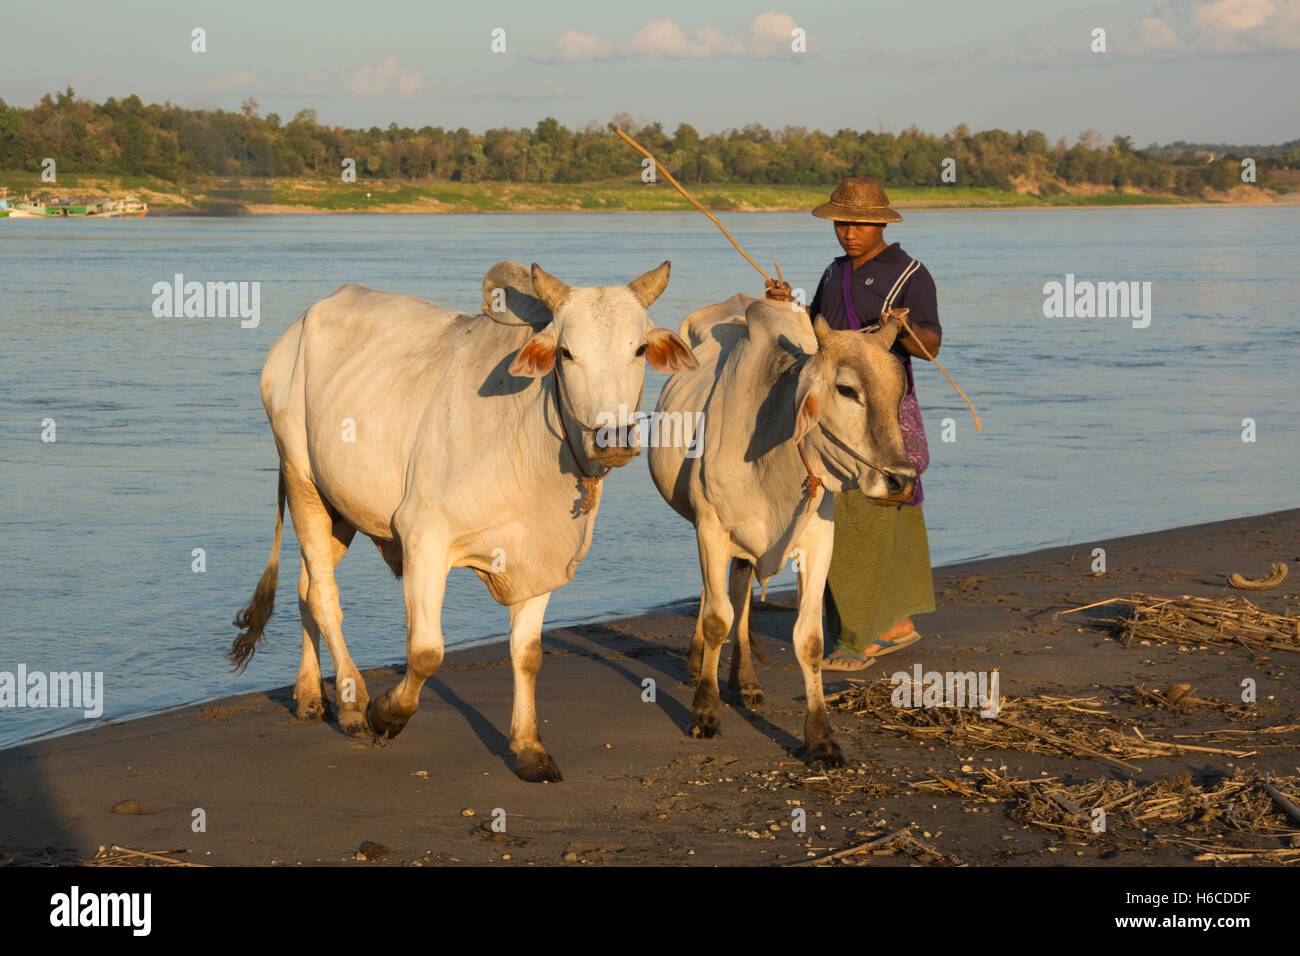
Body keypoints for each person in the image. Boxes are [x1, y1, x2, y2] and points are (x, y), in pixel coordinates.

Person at [765, 177, 941, 670]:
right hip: (836, 409)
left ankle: (858, 635)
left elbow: (932, 345)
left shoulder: (910, 274)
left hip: (881, 407)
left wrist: (904, 329)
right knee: (866, 509)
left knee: (867, 509)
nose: (849, 232)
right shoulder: (833, 270)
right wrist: (789, 306)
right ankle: (896, 623)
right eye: (842, 222)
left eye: (860, 223)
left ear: (882, 222)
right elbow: (821, 333)